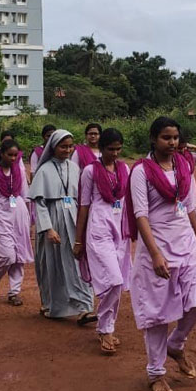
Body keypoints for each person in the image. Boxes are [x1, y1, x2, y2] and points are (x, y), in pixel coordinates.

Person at [128, 116, 196, 391]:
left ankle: (176, 343)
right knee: (158, 312)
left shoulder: (184, 166)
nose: (172, 142)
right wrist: (154, 254)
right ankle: (156, 372)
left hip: (186, 242)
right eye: (166, 137)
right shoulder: (141, 171)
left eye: (175, 137)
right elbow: (140, 214)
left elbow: (191, 207)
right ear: (154, 139)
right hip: (157, 244)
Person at [28, 129, 96, 323]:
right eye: (63, 146)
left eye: (70, 146)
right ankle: (52, 305)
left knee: (77, 261)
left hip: (73, 218)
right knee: (52, 264)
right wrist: (48, 228)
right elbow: (39, 203)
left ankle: (84, 307)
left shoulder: (74, 168)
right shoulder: (44, 170)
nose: (67, 150)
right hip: (53, 219)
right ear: (53, 147)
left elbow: (82, 197)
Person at [74, 128, 130, 354]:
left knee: (118, 283)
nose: (114, 153)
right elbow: (84, 205)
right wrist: (78, 240)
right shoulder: (90, 171)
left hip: (120, 229)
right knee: (113, 280)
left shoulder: (124, 169)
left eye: (118, 149)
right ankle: (105, 328)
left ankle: (106, 327)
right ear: (101, 148)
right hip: (98, 228)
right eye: (110, 149)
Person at [0, 139, 34, 307]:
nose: (13, 158)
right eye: (9, 155)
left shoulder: (19, 170)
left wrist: (29, 222)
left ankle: (14, 292)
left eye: (15, 155)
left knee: (19, 256)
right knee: (7, 256)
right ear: (2, 154)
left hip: (19, 214)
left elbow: (26, 197)